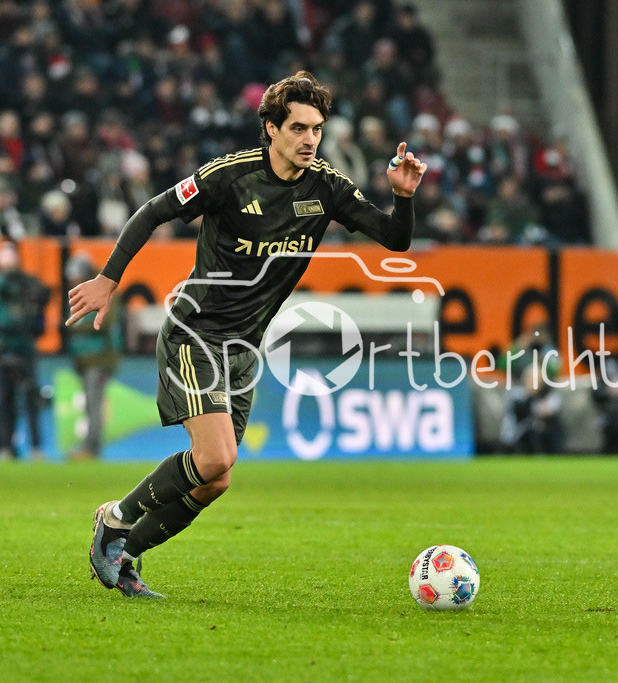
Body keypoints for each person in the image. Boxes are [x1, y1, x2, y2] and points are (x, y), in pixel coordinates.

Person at [67, 71, 426, 599]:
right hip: (196, 331)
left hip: (243, 348)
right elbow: (153, 211)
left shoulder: (325, 186)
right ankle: (115, 521)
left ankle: (127, 555)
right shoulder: (230, 176)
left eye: (318, 129)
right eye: (299, 128)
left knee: (216, 479)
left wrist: (404, 197)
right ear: (271, 128)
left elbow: (395, 240)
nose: (310, 140)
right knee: (214, 458)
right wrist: (107, 279)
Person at [0, 241, 51, 460]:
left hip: (24, 347)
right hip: (2, 349)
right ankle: (5, 447)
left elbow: (39, 316)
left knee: (30, 400)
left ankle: (36, 448)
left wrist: (32, 327)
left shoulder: (28, 284)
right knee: (2, 401)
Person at [65, 252, 123, 460]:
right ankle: (90, 447)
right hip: (86, 360)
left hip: (100, 359)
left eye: (75, 275)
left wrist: (77, 328)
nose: (72, 280)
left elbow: (105, 323)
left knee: (94, 404)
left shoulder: (104, 292)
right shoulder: (79, 293)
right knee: (91, 404)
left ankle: (92, 449)